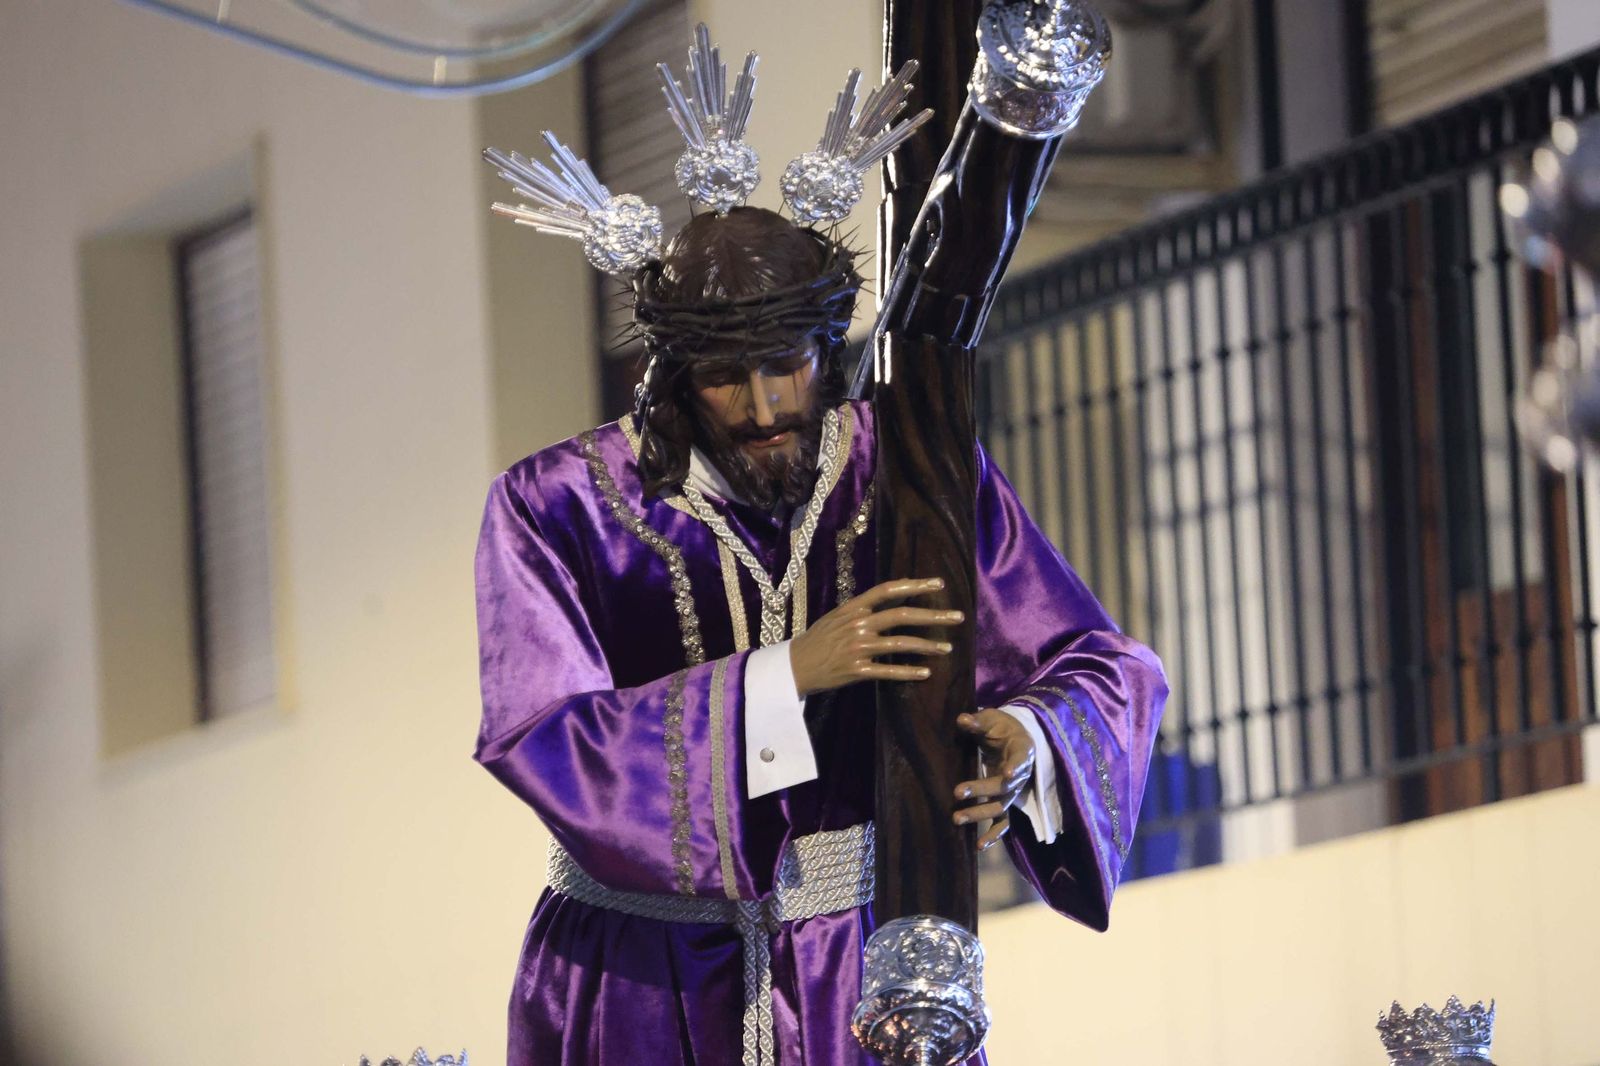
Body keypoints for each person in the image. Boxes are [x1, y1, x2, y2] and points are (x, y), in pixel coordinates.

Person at [472, 204, 1167, 1065]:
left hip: (852, 966)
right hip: (640, 973)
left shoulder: (909, 468)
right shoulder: (554, 504)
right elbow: (541, 733)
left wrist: (1032, 733)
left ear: (826, 346)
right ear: (673, 371)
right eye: (724, 376)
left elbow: (1097, 661)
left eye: (786, 364)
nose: (764, 407)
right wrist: (788, 674)